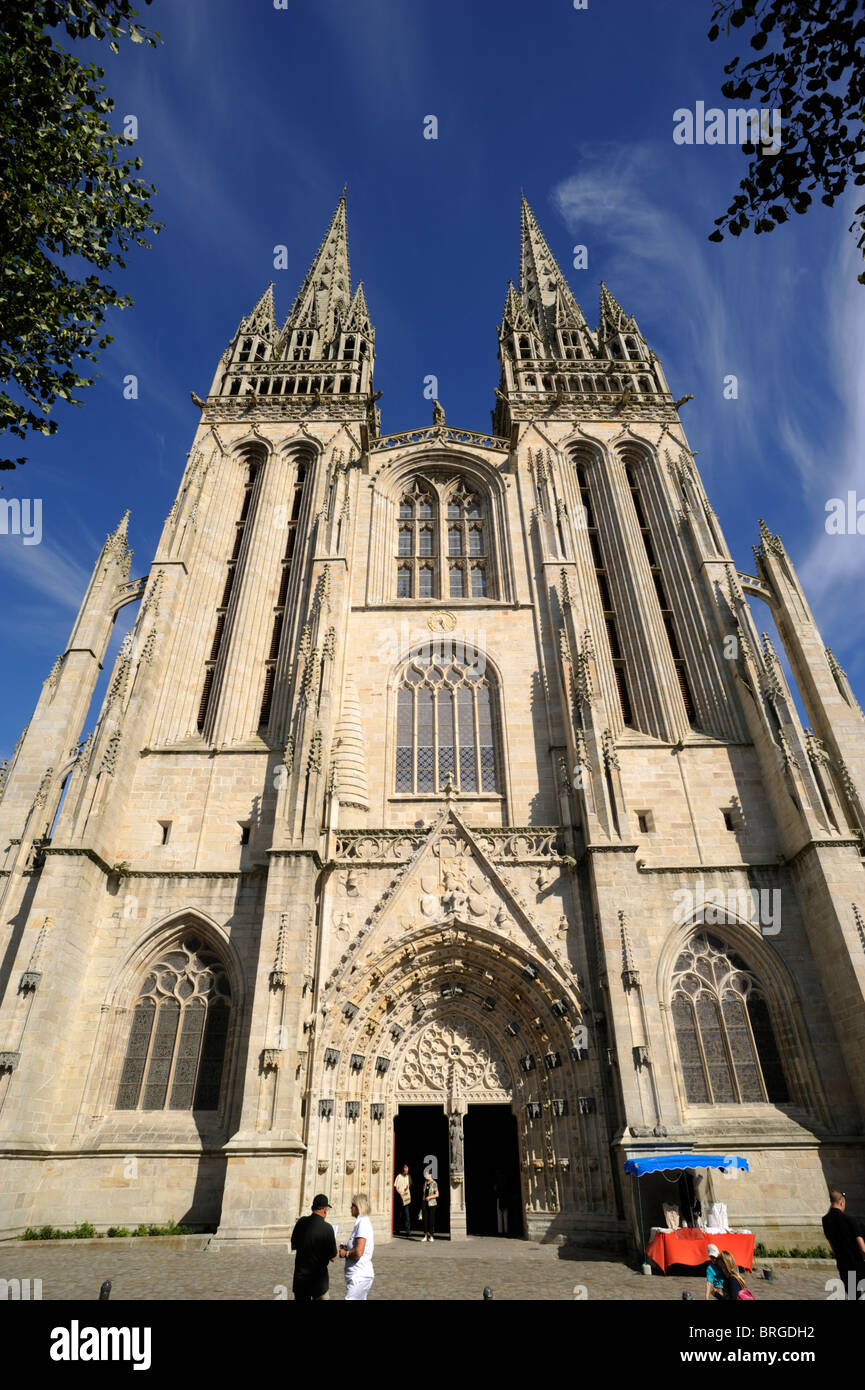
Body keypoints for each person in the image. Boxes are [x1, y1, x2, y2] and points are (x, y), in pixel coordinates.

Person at [290, 1194, 338, 1301]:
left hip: (301, 1280)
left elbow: (293, 1245)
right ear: (325, 1210)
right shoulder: (328, 1229)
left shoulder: (301, 1222)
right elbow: (333, 1258)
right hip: (319, 1282)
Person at [822, 1189, 865, 1299]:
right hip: (857, 1264)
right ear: (842, 1202)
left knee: (853, 1296)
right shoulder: (850, 1220)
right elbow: (862, 1247)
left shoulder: (825, 1220)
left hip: (843, 1265)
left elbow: (831, 1243)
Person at [341, 1193, 375, 1300]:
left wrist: (345, 1253)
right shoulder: (361, 1222)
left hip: (359, 1276)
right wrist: (348, 1247)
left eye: (352, 1205)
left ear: (358, 1207)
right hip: (358, 1275)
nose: (350, 1208)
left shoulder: (363, 1223)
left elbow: (359, 1252)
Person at [394, 1163, 412, 1237]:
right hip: (399, 1198)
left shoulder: (409, 1177)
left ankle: (408, 1231)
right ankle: (398, 1230)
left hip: (406, 1199)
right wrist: (400, 1193)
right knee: (399, 1215)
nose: (406, 1171)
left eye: (407, 1169)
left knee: (407, 1215)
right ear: (403, 1169)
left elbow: (409, 1185)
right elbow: (396, 1187)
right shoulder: (399, 1176)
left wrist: (407, 1188)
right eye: (405, 1169)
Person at [422, 1169, 439, 1243]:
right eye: (426, 1175)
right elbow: (423, 1193)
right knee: (425, 1220)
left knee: (431, 1220)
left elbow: (437, 1194)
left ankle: (431, 1236)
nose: (426, 1176)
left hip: (432, 1204)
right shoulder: (425, 1183)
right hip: (425, 1203)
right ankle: (425, 1236)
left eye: (427, 1175)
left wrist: (430, 1197)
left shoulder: (434, 1183)